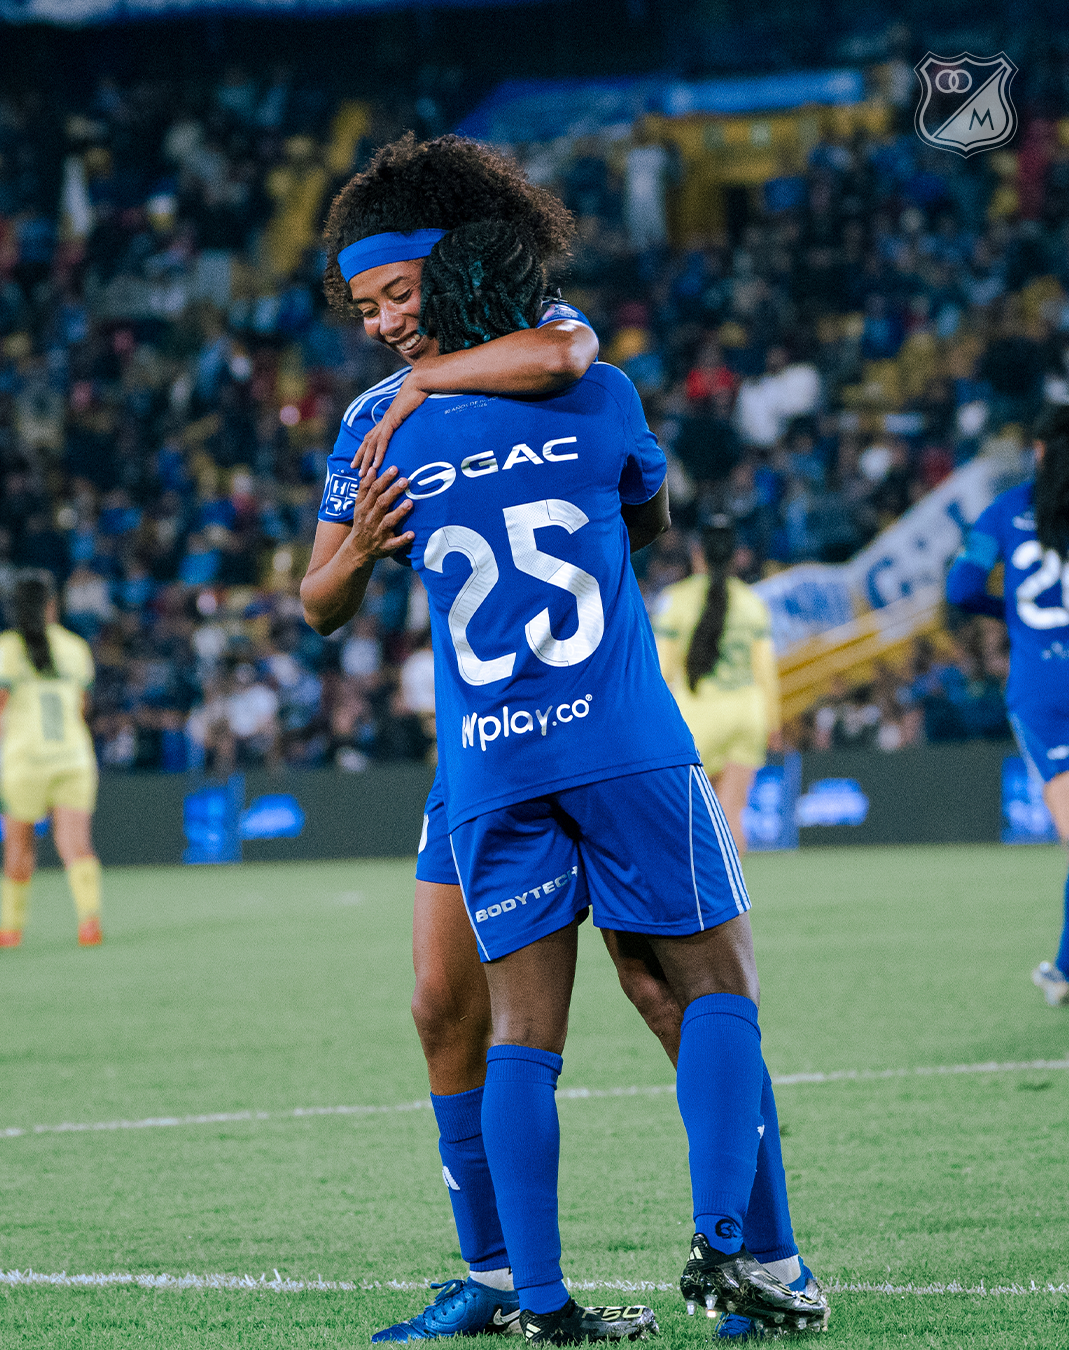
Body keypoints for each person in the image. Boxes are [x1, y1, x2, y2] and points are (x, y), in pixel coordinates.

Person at [307, 217, 828, 1343]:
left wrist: (433, 413)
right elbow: (641, 514)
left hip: (495, 748)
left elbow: (556, 350)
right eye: (366, 308)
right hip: (589, 737)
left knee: (572, 1016)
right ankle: (670, 1263)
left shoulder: (500, 375)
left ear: (447, 275)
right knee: (511, 1002)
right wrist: (361, 546)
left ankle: (709, 1263)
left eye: (400, 296)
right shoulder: (581, 392)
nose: (385, 324)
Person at [947, 405, 1069, 1007]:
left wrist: (1013, 614)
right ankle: (1064, 970)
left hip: (1042, 690)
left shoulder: (1004, 509)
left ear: (1039, 450)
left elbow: (961, 587)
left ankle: (1065, 972)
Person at [652, 515, 782, 854]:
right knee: (733, 813)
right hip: (746, 715)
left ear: (698, 554)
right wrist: (774, 721)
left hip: (697, 718)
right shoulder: (753, 604)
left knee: (693, 819)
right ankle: (736, 889)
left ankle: (699, 888)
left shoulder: (676, 600)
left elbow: (660, 670)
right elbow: (765, 672)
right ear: (735, 555)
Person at [0, 571, 104, 950]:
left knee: (18, 846)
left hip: (24, 762)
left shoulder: (7, 647)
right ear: (52, 605)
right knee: (76, 843)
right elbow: (82, 707)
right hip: (73, 758)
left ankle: (10, 928)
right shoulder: (75, 647)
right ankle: (89, 922)